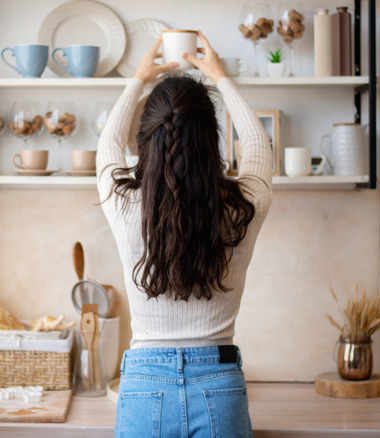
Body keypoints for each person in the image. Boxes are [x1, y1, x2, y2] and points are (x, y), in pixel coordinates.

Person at [96, 31, 272, 437]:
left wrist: (138, 79)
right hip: (220, 385)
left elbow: (106, 148)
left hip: (144, 385)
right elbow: (259, 148)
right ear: (212, 142)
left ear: (144, 142)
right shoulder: (242, 206)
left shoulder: (124, 205)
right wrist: (222, 79)